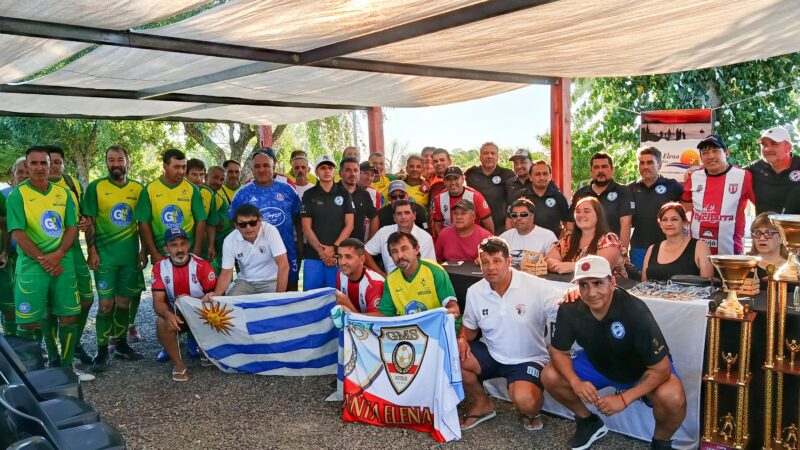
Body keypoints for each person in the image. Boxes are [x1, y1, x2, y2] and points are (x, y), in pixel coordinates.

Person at [542, 255, 686, 450]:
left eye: (598, 283)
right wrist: (576, 382)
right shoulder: (570, 307)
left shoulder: (634, 310)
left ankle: (661, 442)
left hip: (641, 371)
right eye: (583, 285)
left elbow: (661, 369)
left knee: (673, 396)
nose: (591, 292)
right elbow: (559, 352)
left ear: (612, 282)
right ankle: (589, 423)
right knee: (550, 375)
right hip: (600, 364)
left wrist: (624, 399)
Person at [7, 147, 92, 380]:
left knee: (69, 317)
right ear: (27, 165)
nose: (39, 168)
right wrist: (46, 260)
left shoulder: (63, 194)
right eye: (34, 163)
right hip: (32, 267)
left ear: (50, 165)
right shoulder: (18, 195)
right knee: (29, 322)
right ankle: (33, 375)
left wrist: (59, 254)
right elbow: (18, 233)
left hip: (63, 263)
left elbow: (72, 227)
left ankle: (67, 369)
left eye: (43, 163)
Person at [458, 237, 561, 431]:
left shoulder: (535, 286)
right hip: (491, 353)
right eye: (485, 262)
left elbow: (562, 309)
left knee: (526, 401)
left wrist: (573, 297)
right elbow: (469, 329)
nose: (491, 267)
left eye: (496, 261)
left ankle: (531, 412)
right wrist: (462, 338)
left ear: (508, 261)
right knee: (452, 356)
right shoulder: (475, 291)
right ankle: (482, 403)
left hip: (528, 358)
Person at [82, 145, 146, 372]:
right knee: (106, 305)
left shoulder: (138, 188)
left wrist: (143, 251)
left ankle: (121, 344)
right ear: (106, 162)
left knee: (124, 303)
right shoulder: (96, 187)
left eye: (120, 159)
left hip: (129, 257)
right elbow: (89, 223)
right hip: (105, 258)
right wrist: (92, 251)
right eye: (111, 160)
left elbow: (143, 223)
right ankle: (101, 351)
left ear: (128, 162)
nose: (116, 164)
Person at [46, 146, 96, 366]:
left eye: (58, 162)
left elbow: (84, 217)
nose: (54, 166)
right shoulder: (34, 188)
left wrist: (85, 224)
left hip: (74, 251)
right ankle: (53, 355)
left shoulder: (72, 183)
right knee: (49, 308)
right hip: (47, 254)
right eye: (50, 162)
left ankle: (73, 344)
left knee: (86, 299)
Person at [229, 149, 302, 291]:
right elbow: (233, 222)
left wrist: (299, 245)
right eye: (257, 166)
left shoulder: (288, 190)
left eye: (266, 165)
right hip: (255, 258)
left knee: (290, 292)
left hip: (287, 251)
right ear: (252, 170)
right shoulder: (242, 194)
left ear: (273, 168)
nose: (262, 169)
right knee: (256, 294)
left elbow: (298, 218)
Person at [152, 228, 217, 382]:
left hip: (200, 313)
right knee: (161, 322)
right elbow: (157, 302)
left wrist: (192, 301)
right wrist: (168, 315)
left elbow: (216, 298)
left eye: (183, 244)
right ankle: (178, 364)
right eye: (174, 245)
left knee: (216, 312)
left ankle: (206, 349)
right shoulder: (159, 267)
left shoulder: (202, 265)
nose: (180, 249)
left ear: (188, 245)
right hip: (177, 316)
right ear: (166, 248)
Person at [681, 134, 754, 255]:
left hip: (730, 254)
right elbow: (686, 207)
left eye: (715, 151)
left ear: (727, 153)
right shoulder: (694, 176)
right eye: (705, 153)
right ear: (701, 157)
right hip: (697, 253)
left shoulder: (743, 176)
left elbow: (762, 209)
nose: (710, 156)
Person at [374, 231, 459, 321]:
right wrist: (361, 317)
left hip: (440, 325)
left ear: (416, 249)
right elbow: (385, 314)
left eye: (404, 249)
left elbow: (452, 306)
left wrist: (452, 310)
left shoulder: (434, 271)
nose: (400, 256)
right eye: (394, 251)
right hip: (412, 329)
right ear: (390, 256)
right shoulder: (391, 279)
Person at [210, 204, 288, 296]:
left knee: (274, 303)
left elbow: (283, 265)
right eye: (243, 224)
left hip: (271, 281)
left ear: (260, 221)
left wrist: (278, 297)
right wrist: (216, 295)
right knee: (229, 304)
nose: (248, 228)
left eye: (253, 223)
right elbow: (226, 272)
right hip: (245, 282)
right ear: (236, 225)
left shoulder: (270, 231)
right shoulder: (229, 240)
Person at [301, 155, 354, 290]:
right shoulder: (309, 194)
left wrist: (334, 248)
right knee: (311, 298)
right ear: (316, 172)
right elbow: (306, 227)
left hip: (338, 256)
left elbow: (349, 225)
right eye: (323, 168)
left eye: (330, 168)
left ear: (335, 171)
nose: (327, 171)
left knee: (337, 297)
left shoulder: (344, 193)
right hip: (313, 256)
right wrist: (322, 253)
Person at [627, 148, 683, 270]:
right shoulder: (629, 189)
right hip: (639, 247)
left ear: (660, 165)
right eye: (642, 163)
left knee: (665, 280)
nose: (645, 167)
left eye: (650, 162)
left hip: (667, 246)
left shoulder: (673, 186)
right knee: (640, 281)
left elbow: (686, 212)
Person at [568, 152, 633, 256]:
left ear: (612, 170)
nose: (600, 170)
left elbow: (626, 223)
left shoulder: (623, 191)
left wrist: (622, 254)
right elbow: (571, 225)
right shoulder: (581, 193)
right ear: (591, 171)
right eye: (596, 167)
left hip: (611, 250)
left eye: (604, 167)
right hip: (583, 251)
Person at [548, 197, 623, 275]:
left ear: (598, 215)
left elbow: (604, 266)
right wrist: (552, 264)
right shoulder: (568, 240)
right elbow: (547, 259)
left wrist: (571, 266)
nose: (581, 215)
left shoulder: (609, 239)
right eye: (578, 211)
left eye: (586, 211)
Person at [642, 203, 713, 282]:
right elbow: (643, 284)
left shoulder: (700, 247)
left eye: (674, 219)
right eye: (664, 219)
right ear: (660, 224)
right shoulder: (652, 249)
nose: (669, 224)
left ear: (684, 222)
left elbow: (708, 285)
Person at [365, 200, 435, 277]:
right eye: (399, 214)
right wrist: (382, 275)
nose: (403, 217)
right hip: (389, 279)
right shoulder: (384, 232)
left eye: (407, 213)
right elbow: (365, 251)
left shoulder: (425, 237)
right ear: (394, 217)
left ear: (414, 216)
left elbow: (429, 267)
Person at [746, 126, 800, 214]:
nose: (767, 149)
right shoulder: (754, 168)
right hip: (764, 223)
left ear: (788, 148)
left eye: (774, 144)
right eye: (764, 145)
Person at [464, 142, 516, 234]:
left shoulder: (507, 174)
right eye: (486, 153)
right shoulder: (471, 174)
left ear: (498, 157)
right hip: (475, 228)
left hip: (501, 228)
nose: (489, 156)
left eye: (493, 153)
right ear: (480, 157)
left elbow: (514, 201)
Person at [0, 157, 26, 337]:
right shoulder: (5, 194)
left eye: (27, 172)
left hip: (29, 258)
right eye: (20, 172)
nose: (24, 176)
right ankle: (11, 341)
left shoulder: (41, 195)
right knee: (9, 304)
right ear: (13, 174)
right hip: (9, 256)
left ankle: (30, 344)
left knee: (27, 302)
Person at [511, 160, 569, 238]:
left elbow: (567, 224)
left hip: (552, 243)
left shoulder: (559, 197)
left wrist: (559, 242)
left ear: (550, 176)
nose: (542, 177)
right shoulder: (520, 195)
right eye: (537, 174)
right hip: (524, 242)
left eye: (545, 174)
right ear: (530, 177)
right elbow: (510, 220)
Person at [431, 166, 493, 238]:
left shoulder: (475, 196)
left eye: (456, 178)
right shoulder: (438, 199)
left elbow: (487, 223)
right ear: (444, 182)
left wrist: (490, 241)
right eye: (449, 179)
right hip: (451, 238)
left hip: (473, 238)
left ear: (463, 179)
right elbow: (438, 226)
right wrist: (445, 241)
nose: (453, 183)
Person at [499, 198, 559, 266]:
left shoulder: (548, 236)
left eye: (523, 215)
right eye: (514, 215)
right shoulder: (504, 238)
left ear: (532, 216)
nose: (518, 218)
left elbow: (555, 263)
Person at [333, 238, 384, 314]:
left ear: (362, 259)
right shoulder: (340, 274)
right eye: (340, 256)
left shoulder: (375, 284)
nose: (342, 262)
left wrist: (348, 303)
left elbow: (376, 319)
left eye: (348, 257)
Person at [339, 157, 379, 243]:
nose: (353, 174)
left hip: (357, 247)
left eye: (355, 170)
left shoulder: (365, 194)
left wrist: (370, 243)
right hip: (334, 247)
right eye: (348, 170)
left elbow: (374, 217)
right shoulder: (332, 191)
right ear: (340, 173)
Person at [186, 158, 218, 261]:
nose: (198, 178)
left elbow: (211, 223)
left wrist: (211, 245)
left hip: (203, 244)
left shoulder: (208, 193)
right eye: (194, 174)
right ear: (186, 175)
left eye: (201, 174)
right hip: (181, 242)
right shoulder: (179, 190)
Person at [205, 165, 233, 273]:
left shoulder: (219, 198)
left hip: (225, 244)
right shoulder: (201, 194)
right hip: (212, 243)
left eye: (222, 180)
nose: (218, 182)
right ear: (206, 177)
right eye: (215, 177)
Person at [748, 211, 788, 283]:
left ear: (782, 238)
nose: (762, 238)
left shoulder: (794, 268)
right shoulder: (744, 266)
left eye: (768, 233)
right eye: (757, 233)